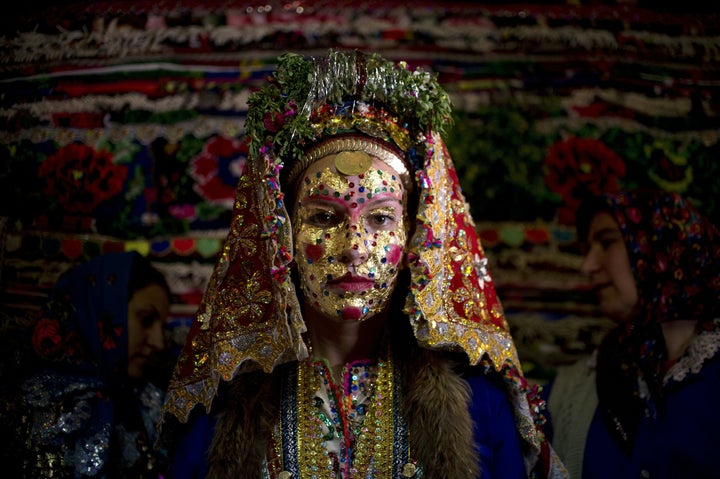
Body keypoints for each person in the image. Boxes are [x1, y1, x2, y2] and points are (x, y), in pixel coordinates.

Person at [161, 49, 566, 479]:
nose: (354, 246)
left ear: (415, 235)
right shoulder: (222, 406)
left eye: (380, 218)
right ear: (281, 234)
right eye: (323, 217)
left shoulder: (479, 404)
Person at [545, 189, 720, 479]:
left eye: (607, 242)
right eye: (587, 249)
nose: (588, 266)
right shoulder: (583, 383)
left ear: (665, 244)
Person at [5, 251, 172, 478]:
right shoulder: (30, 407)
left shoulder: (147, 404)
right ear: (103, 311)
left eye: (162, 327)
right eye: (146, 320)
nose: (159, 342)